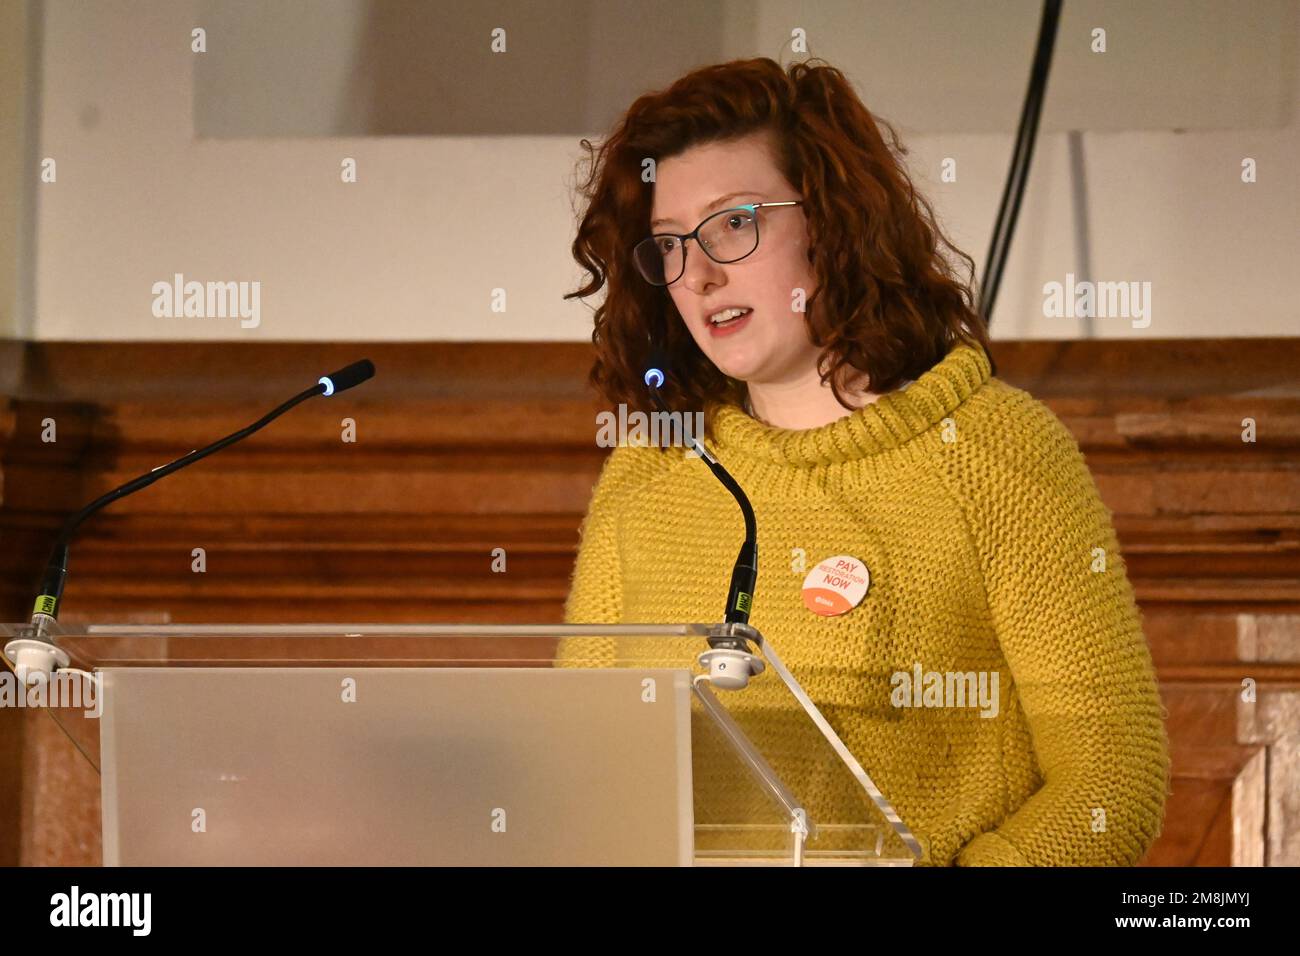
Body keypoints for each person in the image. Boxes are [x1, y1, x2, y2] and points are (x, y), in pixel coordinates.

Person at [559, 57, 1169, 866]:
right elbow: (578, 774)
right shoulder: (649, 473)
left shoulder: (996, 455)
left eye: (734, 223)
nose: (698, 274)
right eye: (669, 245)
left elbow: (1112, 782)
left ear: (834, 219)